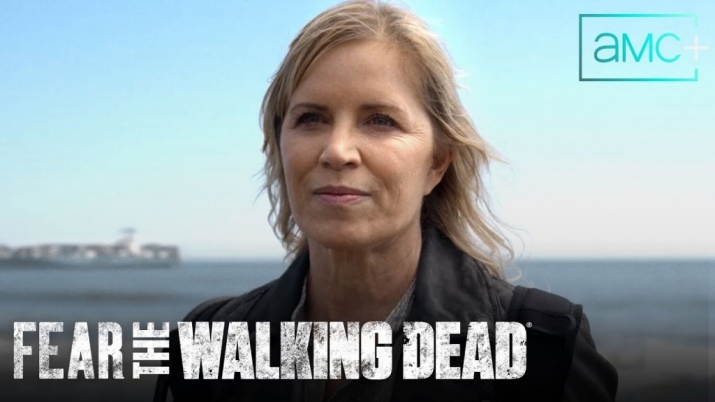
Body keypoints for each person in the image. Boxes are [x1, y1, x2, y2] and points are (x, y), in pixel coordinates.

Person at [155, 0, 618, 401]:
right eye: (311, 118)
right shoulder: (212, 344)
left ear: (437, 163)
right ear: (280, 145)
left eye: (380, 120)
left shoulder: (540, 348)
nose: (337, 150)